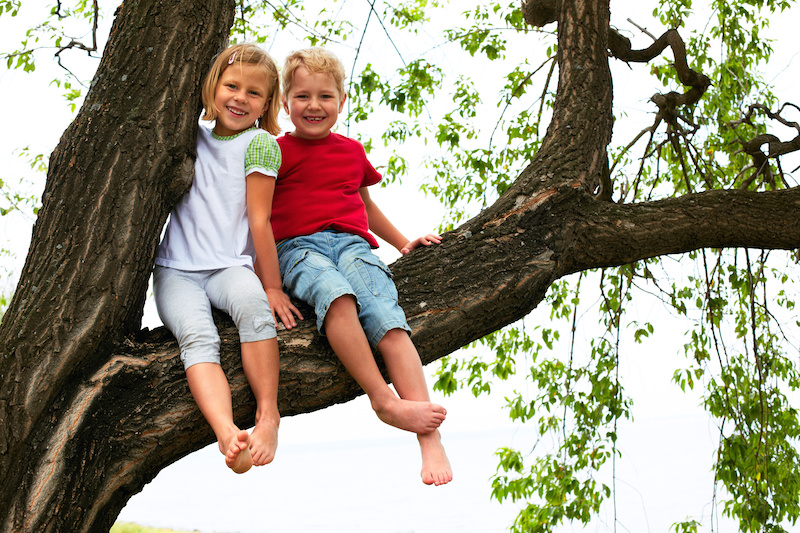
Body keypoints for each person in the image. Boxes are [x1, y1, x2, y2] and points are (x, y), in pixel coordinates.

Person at [265, 47, 453, 486]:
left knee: (387, 317)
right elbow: (255, 218)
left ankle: (430, 439)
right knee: (336, 295)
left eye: (325, 96)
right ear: (285, 103)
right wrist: (268, 283)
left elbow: (366, 207)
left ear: (342, 101)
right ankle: (382, 400)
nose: (315, 106)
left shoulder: (351, 150)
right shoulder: (274, 153)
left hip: (352, 243)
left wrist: (405, 242)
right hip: (298, 249)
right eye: (303, 96)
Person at [153, 43, 301, 474]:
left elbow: (260, 221)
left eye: (253, 93)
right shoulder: (188, 134)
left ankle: (268, 414)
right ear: (212, 86)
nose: (239, 98)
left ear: (267, 104)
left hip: (228, 265)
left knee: (254, 308)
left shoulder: (260, 145)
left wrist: (271, 286)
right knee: (198, 339)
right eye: (231, 85)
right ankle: (227, 433)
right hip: (176, 270)